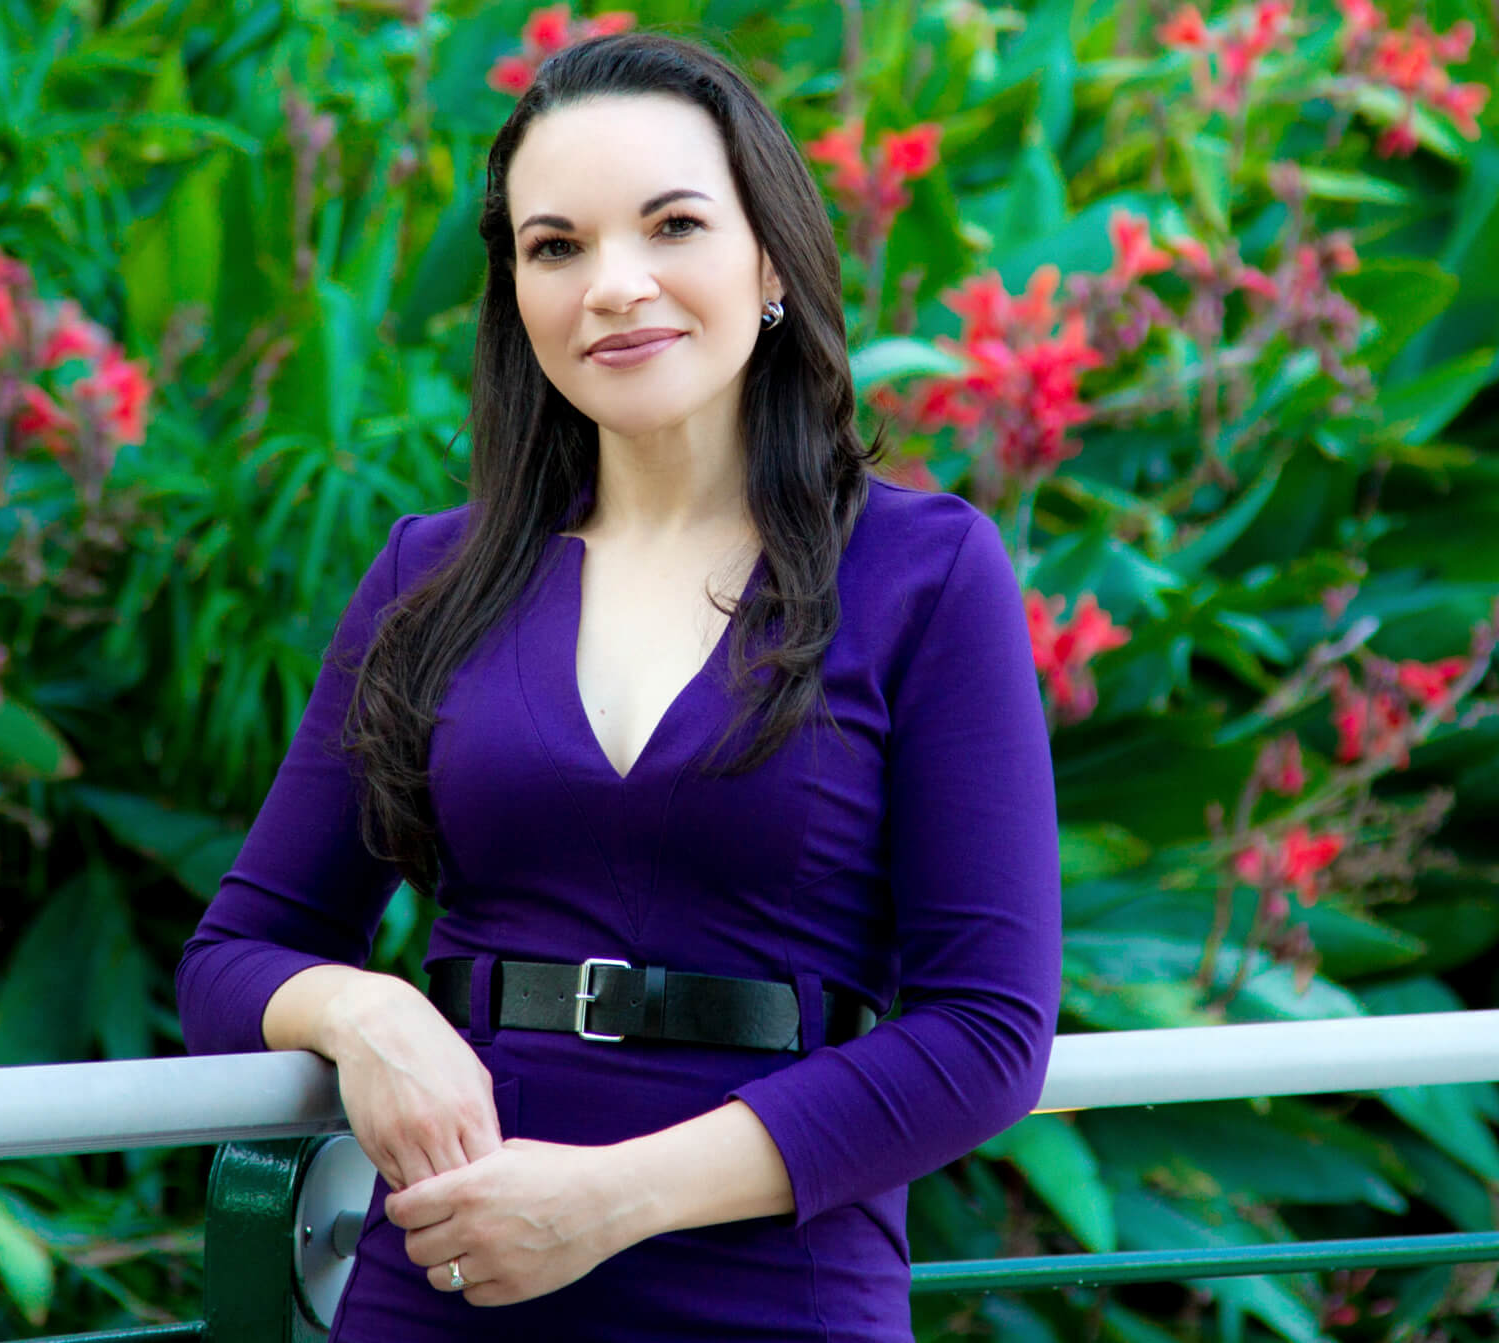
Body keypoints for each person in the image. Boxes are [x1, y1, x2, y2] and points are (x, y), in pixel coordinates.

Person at [174, 29, 1062, 1343]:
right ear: (517, 295)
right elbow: (234, 956)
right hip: (452, 1282)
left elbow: (988, 1031)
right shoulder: (435, 575)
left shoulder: (924, 573)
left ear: (768, 259)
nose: (616, 285)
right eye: (558, 246)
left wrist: (613, 1201)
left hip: (779, 1289)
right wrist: (362, 1010)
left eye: (673, 225)